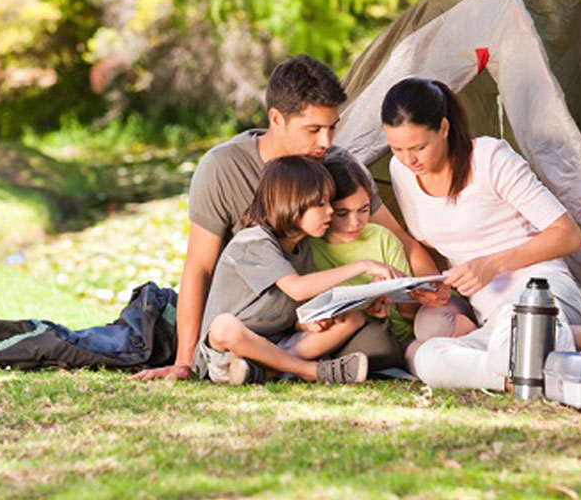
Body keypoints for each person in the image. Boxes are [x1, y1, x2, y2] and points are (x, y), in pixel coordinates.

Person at [133, 55, 442, 381]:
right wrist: (184, 361)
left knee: (377, 346)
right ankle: (287, 367)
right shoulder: (223, 168)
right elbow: (200, 267)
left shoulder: (338, 163)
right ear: (277, 119)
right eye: (313, 129)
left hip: (308, 320)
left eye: (332, 127)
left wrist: (435, 297)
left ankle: (263, 367)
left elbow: (401, 241)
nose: (326, 142)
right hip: (252, 317)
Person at [381, 77, 581, 390]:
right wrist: (441, 288)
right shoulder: (403, 172)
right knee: (426, 355)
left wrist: (493, 264)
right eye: (396, 148)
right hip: (490, 320)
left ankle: (534, 356)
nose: (409, 159)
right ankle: (515, 376)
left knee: (515, 330)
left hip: (541, 291)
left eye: (418, 147)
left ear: (444, 128)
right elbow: (436, 244)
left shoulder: (490, 159)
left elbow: (569, 235)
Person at [194, 156, 403, 384]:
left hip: (278, 345)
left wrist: (307, 321)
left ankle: (269, 371)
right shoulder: (252, 242)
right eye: (321, 204)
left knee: (352, 317)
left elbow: (287, 308)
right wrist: (364, 265)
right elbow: (297, 289)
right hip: (228, 352)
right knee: (224, 326)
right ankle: (311, 371)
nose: (331, 211)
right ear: (291, 204)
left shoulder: (302, 248)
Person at [311, 151, 478, 369]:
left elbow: (409, 313)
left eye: (363, 210)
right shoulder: (312, 248)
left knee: (432, 326)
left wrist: (391, 293)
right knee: (424, 362)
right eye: (343, 213)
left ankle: (474, 334)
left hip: (420, 318)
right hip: (391, 338)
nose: (355, 223)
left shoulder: (381, 237)